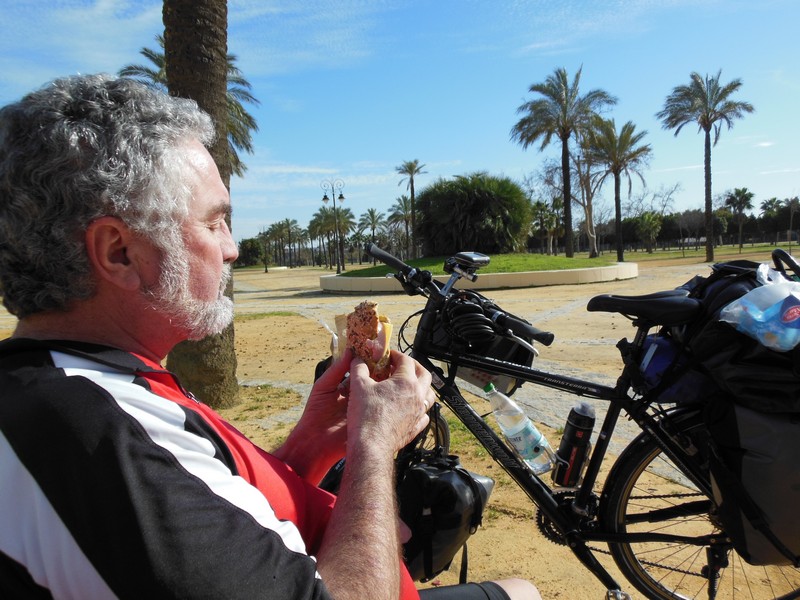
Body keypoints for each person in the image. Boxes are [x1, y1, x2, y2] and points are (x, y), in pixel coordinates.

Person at [0, 74, 541, 600]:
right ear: (119, 252)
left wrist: (311, 444)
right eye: (214, 223)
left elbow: (218, 516)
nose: (233, 248)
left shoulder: (86, 382)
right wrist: (373, 446)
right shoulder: (98, 434)